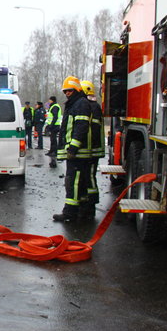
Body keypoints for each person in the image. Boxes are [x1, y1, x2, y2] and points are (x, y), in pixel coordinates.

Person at [53, 76, 93, 222]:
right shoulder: (76, 103)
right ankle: (82, 209)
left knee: (73, 182)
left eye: (69, 91)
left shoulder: (80, 104)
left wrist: (73, 148)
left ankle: (70, 213)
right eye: (65, 92)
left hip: (77, 153)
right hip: (76, 152)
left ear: (76, 89)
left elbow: (81, 127)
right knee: (79, 182)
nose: (67, 94)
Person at [79, 80, 105, 219]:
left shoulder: (91, 107)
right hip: (92, 149)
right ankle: (86, 203)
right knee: (87, 176)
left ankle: (91, 203)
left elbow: (91, 130)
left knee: (89, 177)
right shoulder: (93, 105)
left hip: (92, 150)